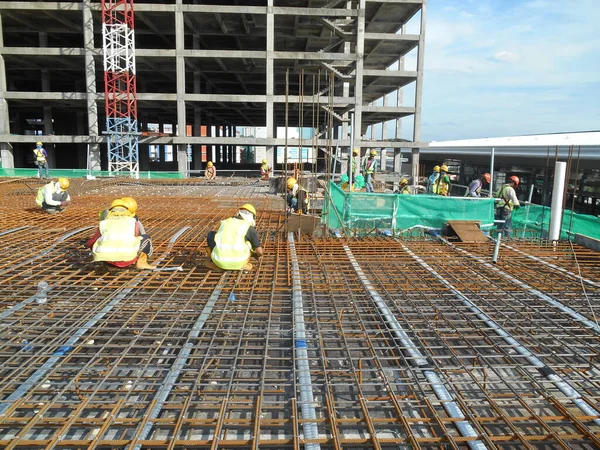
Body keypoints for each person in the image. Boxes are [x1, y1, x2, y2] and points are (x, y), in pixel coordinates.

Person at [86, 197, 156, 270]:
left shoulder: (104, 223)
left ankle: (107, 263)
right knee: (146, 238)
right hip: (127, 259)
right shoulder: (132, 222)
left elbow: (91, 242)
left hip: (106, 260)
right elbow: (137, 236)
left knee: (99, 241)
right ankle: (142, 262)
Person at [206, 204, 264, 271]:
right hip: (239, 262)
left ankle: (214, 262)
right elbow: (260, 252)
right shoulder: (248, 227)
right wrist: (255, 255)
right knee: (248, 242)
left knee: (211, 234)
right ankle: (243, 264)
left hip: (219, 261)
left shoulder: (225, 222)